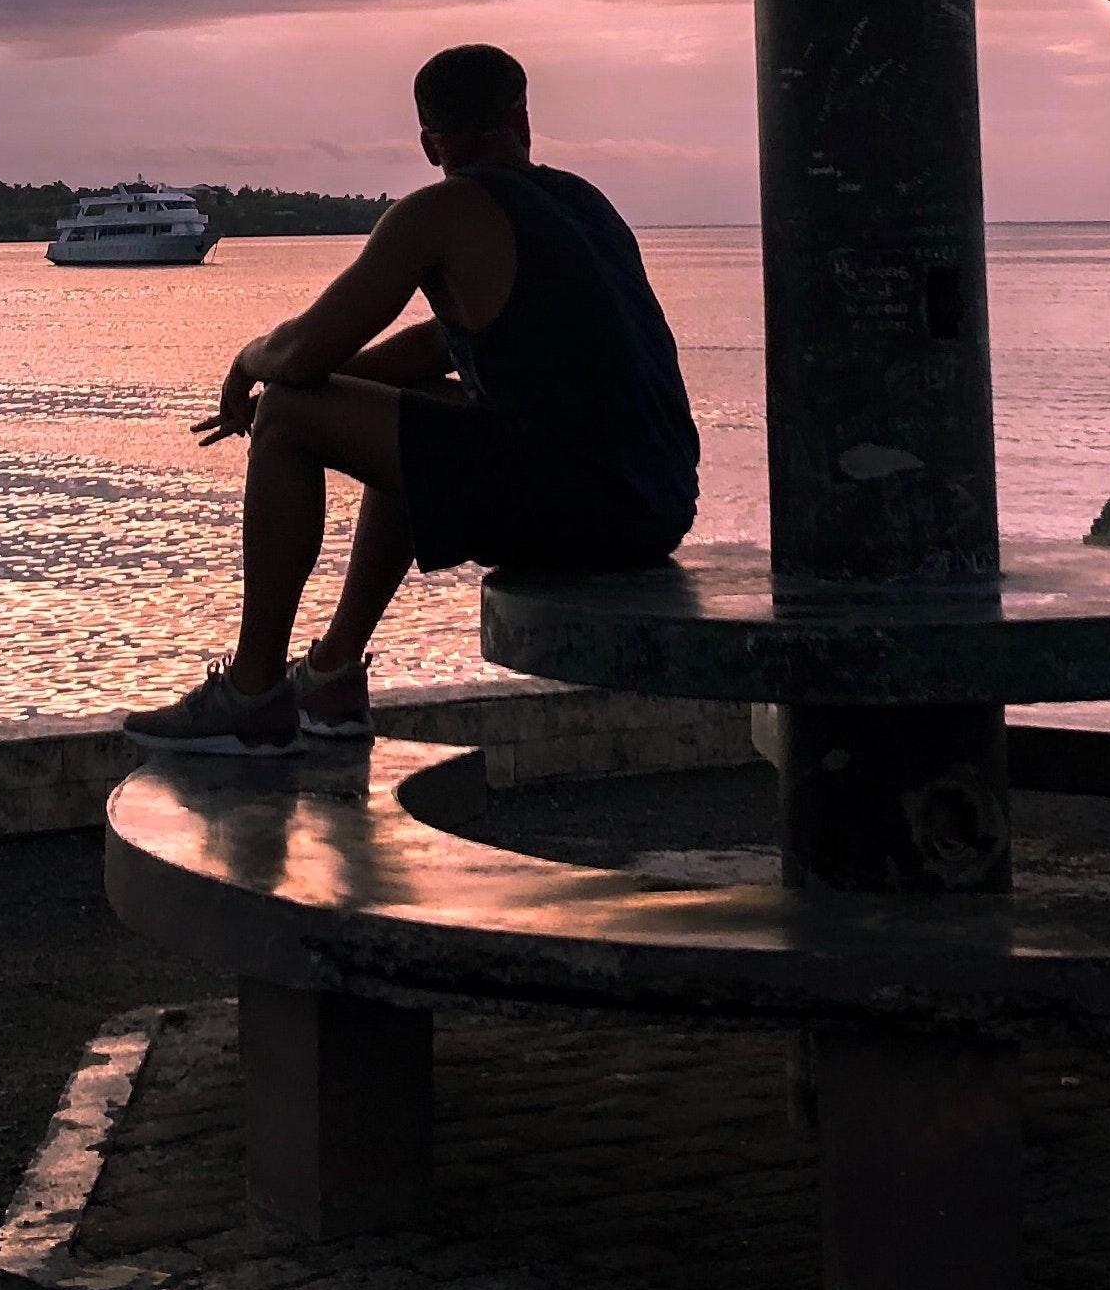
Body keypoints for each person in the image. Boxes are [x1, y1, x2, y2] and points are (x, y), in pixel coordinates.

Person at [122, 42, 699, 756]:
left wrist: (249, 365)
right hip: (655, 508)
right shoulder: (583, 204)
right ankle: (331, 675)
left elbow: (305, 350)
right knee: (416, 403)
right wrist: (348, 405)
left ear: (430, 143)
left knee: (283, 417)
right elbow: (432, 347)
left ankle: (251, 693)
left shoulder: (441, 211)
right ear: (522, 117)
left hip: (571, 510)